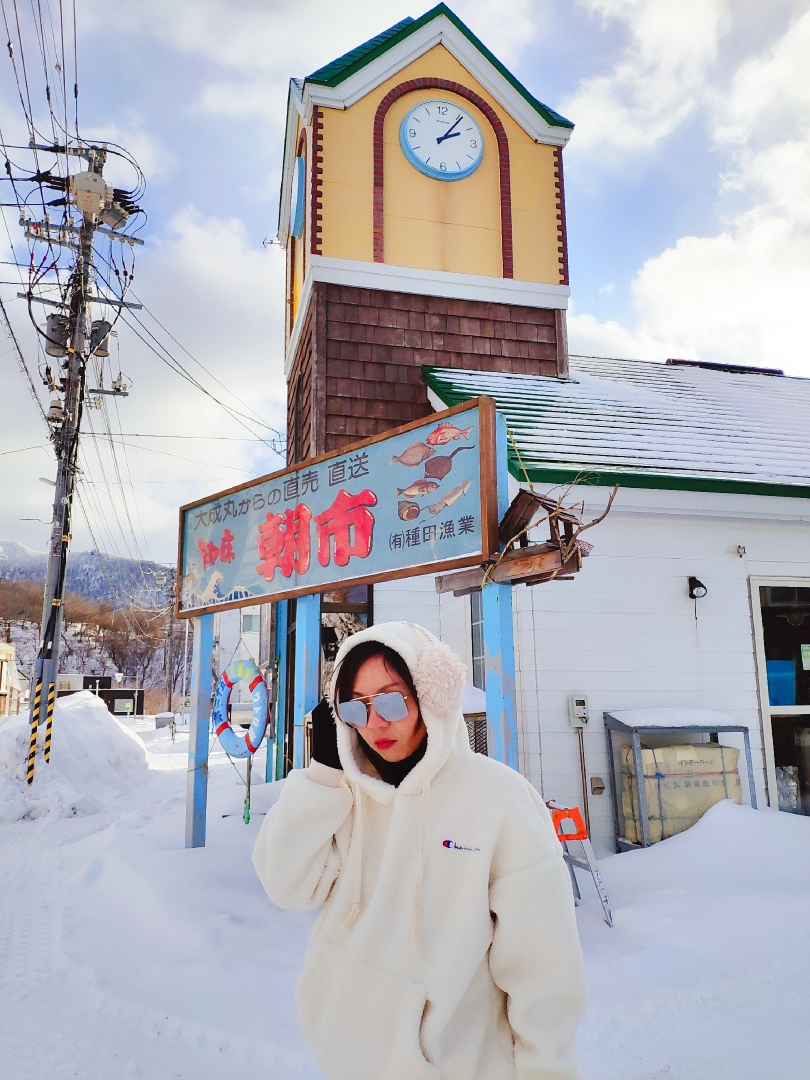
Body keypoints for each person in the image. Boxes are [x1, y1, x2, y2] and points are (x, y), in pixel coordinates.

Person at [253, 621, 586, 1080]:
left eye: (391, 700)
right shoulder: (345, 795)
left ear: (432, 694)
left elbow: (544, 972)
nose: (375, 723)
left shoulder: (499, 800)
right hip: (345, 1058)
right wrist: (323, 774)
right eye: (355, 708)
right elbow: (287, 887)